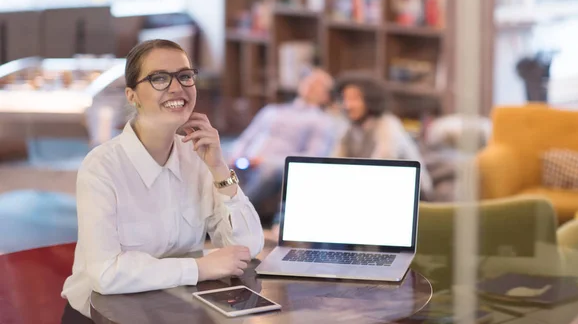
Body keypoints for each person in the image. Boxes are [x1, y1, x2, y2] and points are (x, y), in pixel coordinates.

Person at [61, 40, 264, 323]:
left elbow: (247, 248)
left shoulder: (199, 156)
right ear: (132, 96)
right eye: (159, 78)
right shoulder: (102, 167)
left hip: (173, 310)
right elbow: (106, 274)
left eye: (184, 76)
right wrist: (199, 268)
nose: (176, 87)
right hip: (103, 316)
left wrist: (219, 168)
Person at [227, 68, 338, 216]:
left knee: (269, 171)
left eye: (318, 84)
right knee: (214, 160)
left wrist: (265, 161)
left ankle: (234, 213)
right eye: (309, 80)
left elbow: (313, 157)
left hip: (276, 166)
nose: (311, 85)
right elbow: (246, 138)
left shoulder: (322, 121)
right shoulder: (272, 110)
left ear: (326, 96)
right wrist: (236, 155)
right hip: (245, 161)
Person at [333, 72, 433, 196]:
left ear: (370, 99)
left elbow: (382, 166)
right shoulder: (349, 128)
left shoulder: (387, 125)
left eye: (355, 99)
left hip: (413, 194)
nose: (348, 105)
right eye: (345, 99)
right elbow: (336, 163)